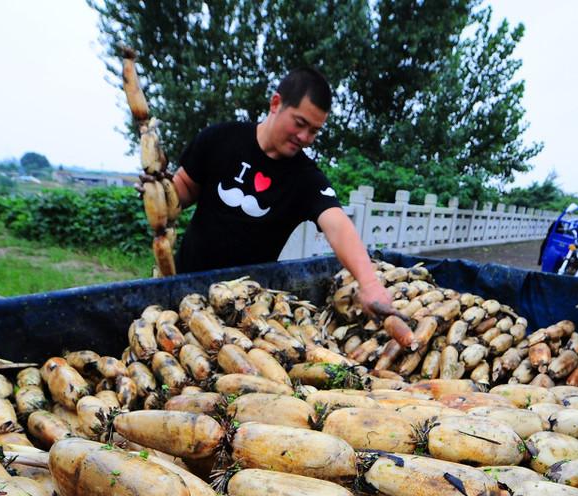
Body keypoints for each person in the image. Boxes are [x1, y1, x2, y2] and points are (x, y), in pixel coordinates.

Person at [169, 66, 403, 326]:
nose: (304, 137)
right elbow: (185, 189)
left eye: (314, 131)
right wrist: (160, 191)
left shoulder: (305, 178)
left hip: (243, 310)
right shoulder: (220, 138)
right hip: (183, 288)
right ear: (276, 103)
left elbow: (337, 224)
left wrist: (369, 283)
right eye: (300, 123)